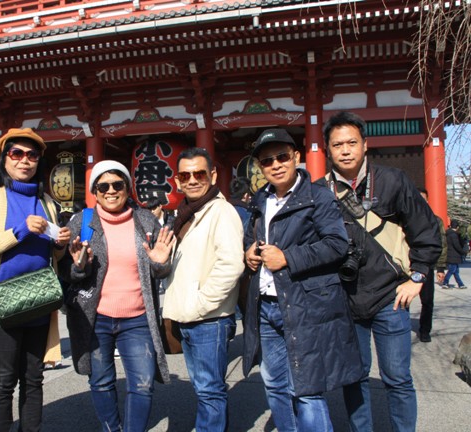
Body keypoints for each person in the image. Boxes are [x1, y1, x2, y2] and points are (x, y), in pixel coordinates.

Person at [319, 111, 441, 432]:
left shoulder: (392, 181)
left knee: (397, 378)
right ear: (327, 149)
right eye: (337, 145)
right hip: (345, 298)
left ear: (365, 145)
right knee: (354, 376)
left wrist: (418, 277)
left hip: (390, 295)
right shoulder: (319, 192)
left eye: (352, 143)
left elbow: (426, 230)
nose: (345, 150)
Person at [242, 129, 363, 432]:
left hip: (304, 304)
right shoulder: (260, 199)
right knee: (274, 382)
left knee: (306, 387)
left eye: (282, 156)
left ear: (296, 157)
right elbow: (252, 237)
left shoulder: (317, 197)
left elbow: (337, 244)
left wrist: (288, 258)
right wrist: (249, 252)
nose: (276, 165)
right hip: (266, 305)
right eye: (267, 160)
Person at [0, 128, 71, 432]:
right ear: (4, 158)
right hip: (4, 302)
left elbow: (54, 256)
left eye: (32, 155)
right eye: (17, 153)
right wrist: (19, 231)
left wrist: (60, 244)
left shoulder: (46, 201)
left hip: (40, 298)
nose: (25, 160)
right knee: (3, 382)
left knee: (34, 379)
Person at [61, 160, 174, 432]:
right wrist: (78, 268)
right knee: (100, 382)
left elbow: (159, 267)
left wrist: (161, 264)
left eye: (117, 184)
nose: (111, 191)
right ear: (95, 192)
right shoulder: (81, 222)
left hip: (137, 319)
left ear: (127, 188)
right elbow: (66, 271)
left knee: (143, 384)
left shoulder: (145, 221)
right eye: (103, 186)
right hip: (95, 318)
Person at [163, 147, 244, 431]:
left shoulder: (221, 211)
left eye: (199, 174)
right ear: (177, 180)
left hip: (209, 318)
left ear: (213, 175)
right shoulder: (186, 213)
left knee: (210, 390)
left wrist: (200, 303)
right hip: (189, 315)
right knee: (203, 388)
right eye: (185, 175)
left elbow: (231, 265)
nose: (193, 180)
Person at [416, 188, 447, 342]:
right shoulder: (403, 217)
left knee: (427, 301)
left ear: (427, 200)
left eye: (423, 198)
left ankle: (425, 330)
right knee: (401, 299)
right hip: (406, 265)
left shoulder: (435, 220)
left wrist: (440, 267)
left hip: (426, 265)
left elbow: (442, 244)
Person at [442, 220, 467, 289]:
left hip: (450, 254)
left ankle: (460, 284)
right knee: (452, 270)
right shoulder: (454, 235)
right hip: (454, 255)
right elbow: (457, 246)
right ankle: (445, 282)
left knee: (456, 271)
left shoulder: (448, 234)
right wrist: (463, 252)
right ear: (457, 227)